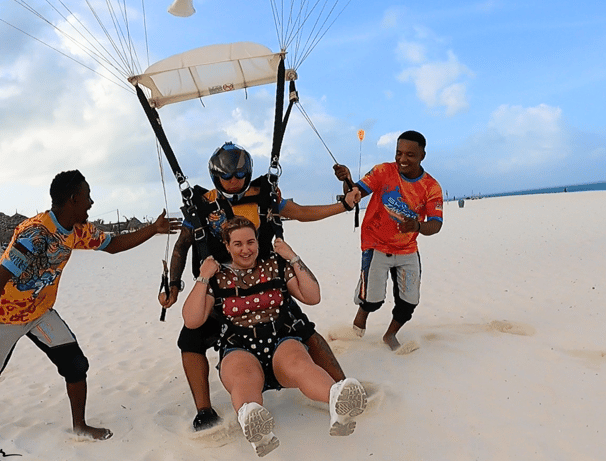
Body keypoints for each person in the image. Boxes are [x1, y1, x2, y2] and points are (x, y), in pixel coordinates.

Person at [0, 170, 181, 439]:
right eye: (87, 197)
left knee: (75, 365)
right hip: (5, 316)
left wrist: (153, 229)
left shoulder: (77, 231)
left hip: (39, 313)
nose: (91, 203)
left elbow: (114, 244)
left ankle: (80, 426)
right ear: (73, 199)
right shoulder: (34, 234)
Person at [160, 142, 359, 431]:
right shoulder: (203, 205)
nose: (234, 182)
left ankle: (340, 387)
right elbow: (181, 246)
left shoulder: (264, 197)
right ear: (216, 177)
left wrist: (342, 205)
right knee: (190, 339)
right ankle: (204, 410)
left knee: (304, 329)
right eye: (227, 177)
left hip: (268, 283)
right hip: (219, 290)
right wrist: (174, 286)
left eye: (240, 175)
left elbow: (301, 211)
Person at [182, 217, 366, 457]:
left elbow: (312, 296)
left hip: (280, 340)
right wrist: (204, 275)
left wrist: (292, 256)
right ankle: (257, 426)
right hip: (239, 346)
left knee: (300, 364)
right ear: (227, 246)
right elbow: (192, 320)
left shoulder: (275, 266)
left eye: (250, 242)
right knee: (243, 378)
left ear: (258, 242)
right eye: (237, 244)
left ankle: (336, 402)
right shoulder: (217, 278)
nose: (245, 249)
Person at [334, 130, 443, 351]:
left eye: (410, 155)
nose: (403, 159)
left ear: (423, 155)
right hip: (376, 244)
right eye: (399, 153)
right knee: (372, 300)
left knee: (409, 301)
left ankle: (390, 335)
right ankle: (357, 327)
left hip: (407, 248)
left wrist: (418, 227)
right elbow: (355, 193)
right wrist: (346, 180)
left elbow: (436, 224)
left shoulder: (431, 187)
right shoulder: (383, 171)